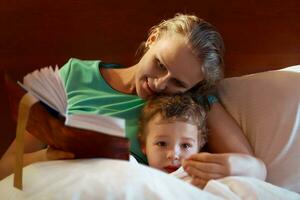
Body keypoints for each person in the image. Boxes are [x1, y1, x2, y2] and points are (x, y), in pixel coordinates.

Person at [0, 13, 266, 182]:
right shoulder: (75, 75)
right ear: (152, 39)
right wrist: (51, 156)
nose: (159, 84)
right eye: (161, 64)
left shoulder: (189, 102)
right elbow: (7, 166)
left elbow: (257, 169)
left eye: (177, 82)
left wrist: (233, 165)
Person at [137, 94, 266, 188]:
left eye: (186, 145)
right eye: (161, 143)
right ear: (144, 145)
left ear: (200, 145)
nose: (174, 155)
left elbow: (256, 176)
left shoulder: (209, 173)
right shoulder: (135, 174)